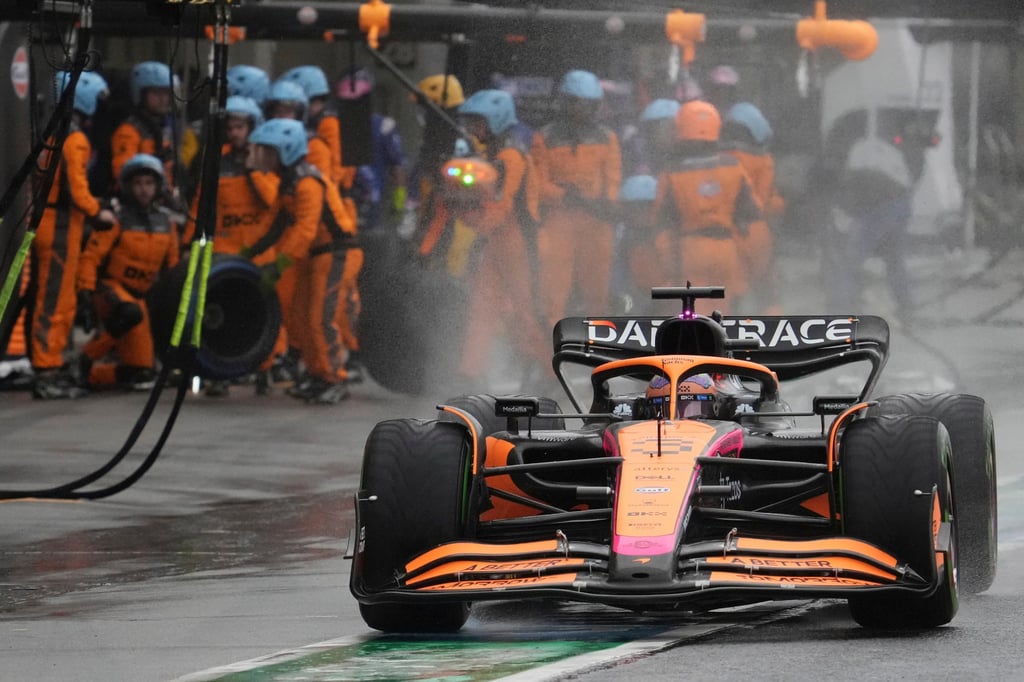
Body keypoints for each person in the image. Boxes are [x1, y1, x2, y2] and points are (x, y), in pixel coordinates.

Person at [248, 118, 357, 404]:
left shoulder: (308, 181)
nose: (263, 158)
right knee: (301, 317)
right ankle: (317, 373)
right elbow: (272, 225)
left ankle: (334, 378)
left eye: (268, 152)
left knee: (320, 318)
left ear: (286, 151)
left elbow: (305, 230)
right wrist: (244, 253)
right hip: (314, 255)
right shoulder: (290, 182)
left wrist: (279, 265)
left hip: (336, 253)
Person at [182, 95, 281, 396]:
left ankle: (265, 368)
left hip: (258, 251)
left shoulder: (265, 158)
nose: (234, 133)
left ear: (252, 128)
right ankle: (219, 373)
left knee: (263, 312)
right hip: (224, 252)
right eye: (230, 128)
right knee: (220, 311)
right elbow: (202, 204)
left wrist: (252, 168)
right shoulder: (216, 160)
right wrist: (189, 241)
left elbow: (272, 200)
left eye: (240, 127)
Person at [449, 89, 547, 384]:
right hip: (498, 241)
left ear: (496, 120)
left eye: (478, 122)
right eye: (471, 122)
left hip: (519, 242)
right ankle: (471, 373)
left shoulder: (510, 157)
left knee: (526, 311)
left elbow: (502, 205)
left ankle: (547, 370)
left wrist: (475, 222)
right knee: (483, 308)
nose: (473, 128)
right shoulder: (494, 156)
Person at [30, 71, 117, 399]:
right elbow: (77, 191)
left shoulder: (54, 132)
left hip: (52, 221)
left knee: (53, 298)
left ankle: (49, 364)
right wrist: (99, 212)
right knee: (56, 301)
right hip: (62, 225)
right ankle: (46, 369)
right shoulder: (74, 138)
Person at [76, 154, 181, 391]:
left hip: (140, 297)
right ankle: (86, 357)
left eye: (149, 183)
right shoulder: (116, 219)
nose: (144, 189)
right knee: (131, 313)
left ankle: (90, 375)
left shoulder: (167, 223)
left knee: (141, 371)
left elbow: (173, 268)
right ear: (127, 186)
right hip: (110, 289)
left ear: (158, 186)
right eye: (138, 183)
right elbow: (91, 258)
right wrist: (85, 291)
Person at [646, 100, 761, 313]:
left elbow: (661, 221)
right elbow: (752, 211)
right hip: (726, 249)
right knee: (722, 314)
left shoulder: (671, 172)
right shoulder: (733, 165)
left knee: (692, 315)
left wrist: (668, 263)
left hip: (689, 251)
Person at [532, 69, 622, 330]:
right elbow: (537, 183)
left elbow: (613, 177)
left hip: (597, 221)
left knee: (597, 290)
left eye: (586, 104)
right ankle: (551, 342)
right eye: (575, 102)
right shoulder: (545, 137)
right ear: (565, 102)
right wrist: (564, 196)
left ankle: (601, 341)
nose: (580, 109)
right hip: (559, 221)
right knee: (553, 289)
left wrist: (608, 204)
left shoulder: (607, 137)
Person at [824, 134, 921, 318]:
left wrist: (844, 226)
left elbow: (851, 207)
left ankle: (842, 309)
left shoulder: (849, 177)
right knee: (894, 259)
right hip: (901, 202)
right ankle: (906, 306)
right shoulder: (864, 164)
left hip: (881, 207)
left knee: (849, 260)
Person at [720, 101, 785, 314]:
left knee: (730, 296)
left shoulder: (717, 161)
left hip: (726, 236)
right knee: (767, 292)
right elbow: (768, 203)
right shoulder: (764, 161)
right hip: (757, 233)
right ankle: (773, 331)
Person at [110, 61, 187, 200]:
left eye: (166, 93)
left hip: (164, 199)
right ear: (141, 94)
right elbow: (123, 173)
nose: (164, 99)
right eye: (156, 93)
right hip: (139, 202)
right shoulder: (129, 130)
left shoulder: (164, 127)